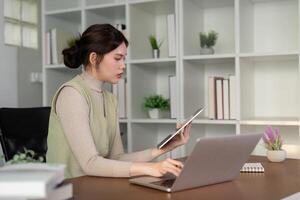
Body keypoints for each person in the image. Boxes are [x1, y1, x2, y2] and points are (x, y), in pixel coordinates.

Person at [46, 24, 192, 179]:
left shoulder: (110, 99)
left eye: (124, 59)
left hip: (96, 187)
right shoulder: (72, 94)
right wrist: (150, 168)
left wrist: (162, 148)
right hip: (68, 190)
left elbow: (116, 159)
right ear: (94, 58)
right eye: (117, 58)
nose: (123, 66)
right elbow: (90, 163)